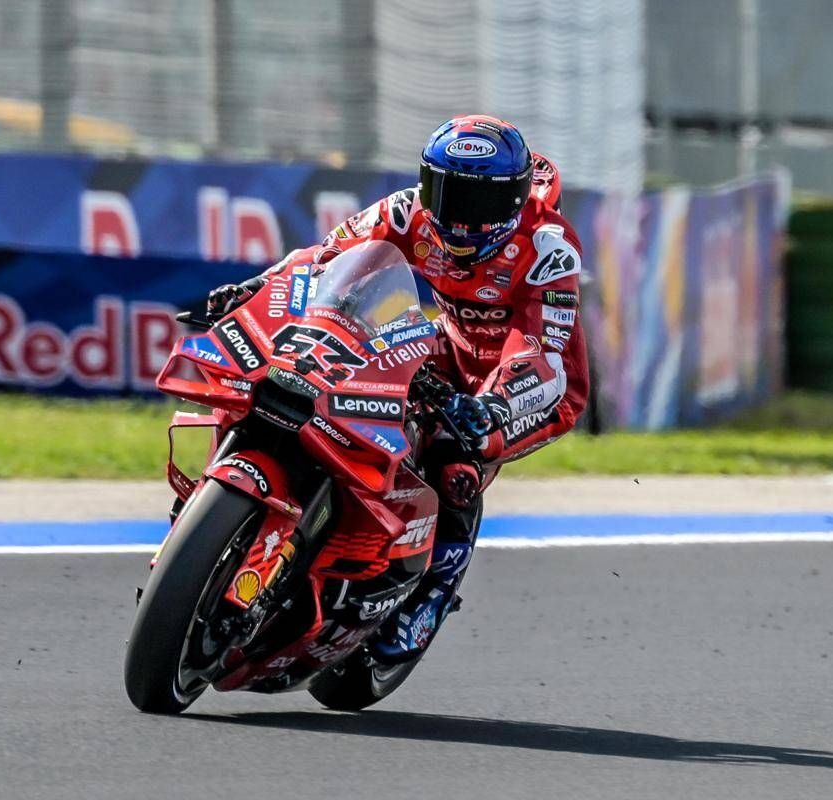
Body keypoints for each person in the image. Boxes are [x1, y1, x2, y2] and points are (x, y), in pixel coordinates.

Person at [207, 115, 590, 662]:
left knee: (456, 458)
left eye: (474, 202)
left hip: (532, 385)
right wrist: (253, 290)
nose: (455, 216)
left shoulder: (548, 249)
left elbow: (542, 354)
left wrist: (493, 406)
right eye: (443, 191)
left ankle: (432, 595)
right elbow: (323, 259)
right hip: (449, 346)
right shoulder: (409, 212)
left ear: (510, 201)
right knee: (324, 382)